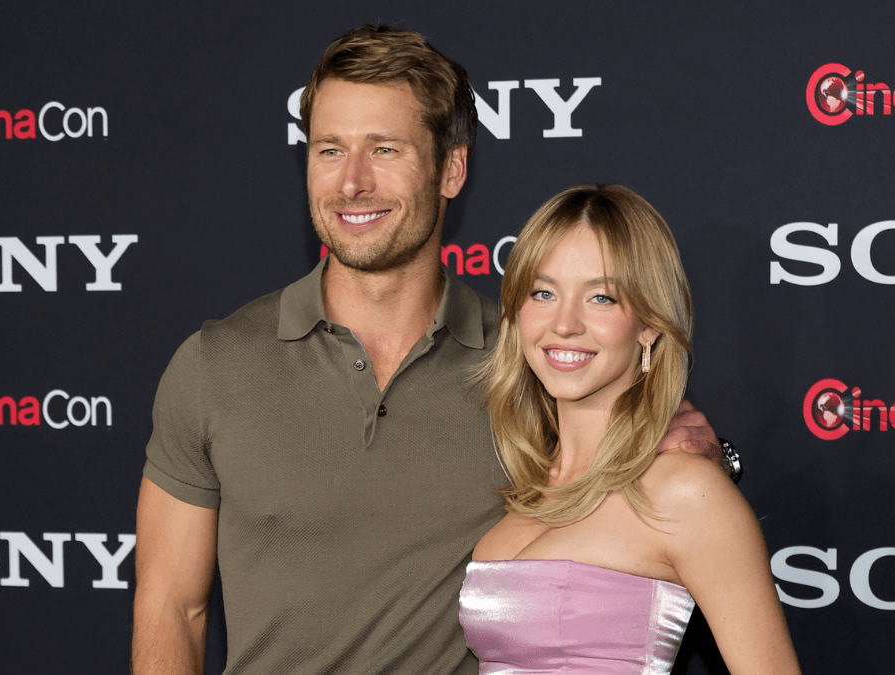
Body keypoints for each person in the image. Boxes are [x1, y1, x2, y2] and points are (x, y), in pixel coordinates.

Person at [132, 26, 728, 675]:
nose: (352, 182)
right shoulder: (215, 365)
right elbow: (171, 604)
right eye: (330, 149)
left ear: (451, 169)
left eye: (384, 149)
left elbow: (648, 461)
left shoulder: (529, 364)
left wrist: (696, 442)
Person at [460, 184, 800, 674]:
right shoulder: (523, 484)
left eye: (600, 297)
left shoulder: (685, 490)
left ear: (649, 325)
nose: (565, 323)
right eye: (543, 292)